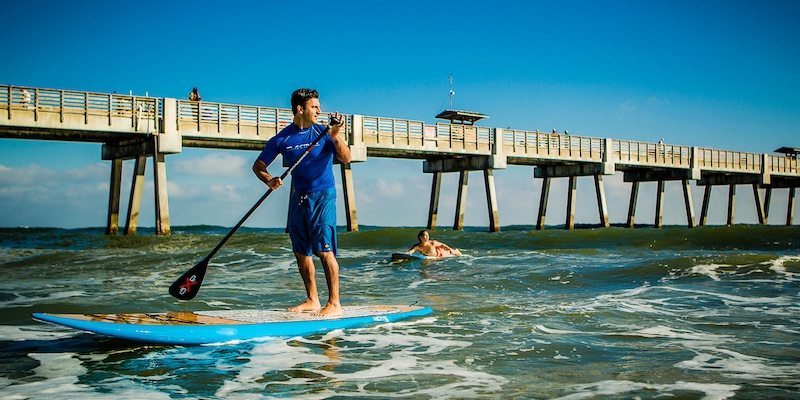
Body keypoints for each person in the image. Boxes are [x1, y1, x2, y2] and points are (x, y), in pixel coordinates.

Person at [252, 88, 350, 316]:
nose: (319, 111)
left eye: (319, 107)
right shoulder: (282, 138)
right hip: (298, 198)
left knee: (325, 251)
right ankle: (312, 300)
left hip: (323, 196)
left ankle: (334, 303)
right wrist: (269, 179)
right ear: (300, 109)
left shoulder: (324, 132)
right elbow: (258, 166)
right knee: (301, 252)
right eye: (314, 107)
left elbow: (346, 158)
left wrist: (336, 136)